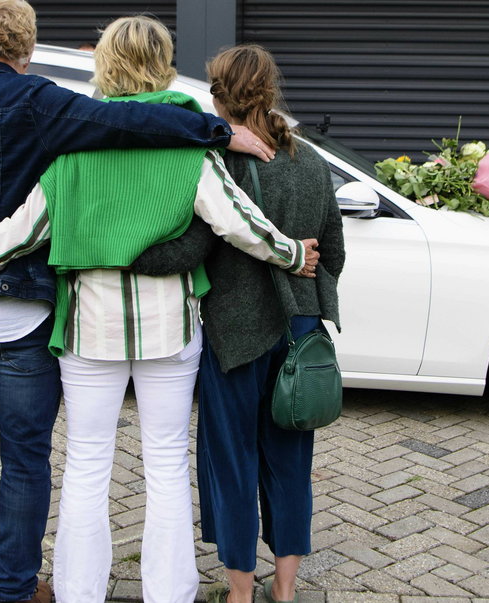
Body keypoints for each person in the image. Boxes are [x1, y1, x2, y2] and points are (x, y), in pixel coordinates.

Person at [0, 0, 273, 603]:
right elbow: (137, 124)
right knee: (50, 457)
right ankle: (27, 586)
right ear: (27, 46)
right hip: (43, 315)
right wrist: (217, 132)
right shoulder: (47, 105)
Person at [135, 44, 345, 603]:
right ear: (270, 91)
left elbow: (191, 248)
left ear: (219, 94)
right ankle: (285, 587)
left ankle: (238, 591)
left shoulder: (216, 161)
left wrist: (124, 251)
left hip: (233, 336)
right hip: (299, 336)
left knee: (231, 462)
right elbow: (335, 253)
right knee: (291, 462)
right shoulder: (312, 164)